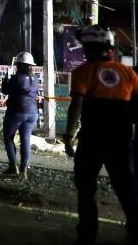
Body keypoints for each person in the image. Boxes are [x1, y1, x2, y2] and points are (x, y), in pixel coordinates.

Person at [63, 25, 138, 244]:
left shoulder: (82, 72)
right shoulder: (128, 73)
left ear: (88, 47)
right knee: (126, 186)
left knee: (86, 187)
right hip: (120, 138)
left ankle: (87, 234)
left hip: (92, 138)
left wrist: (69, 136)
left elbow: (76, 106)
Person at [1, 51, 40, 179]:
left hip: (16, 112)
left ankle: (13, 167)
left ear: (19, 64)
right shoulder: (35, 80)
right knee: (25, 139)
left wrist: (5, 78)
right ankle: (24, 169)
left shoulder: (16, 78)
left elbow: (5, 90)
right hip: (32, 113)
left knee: (8, 137)